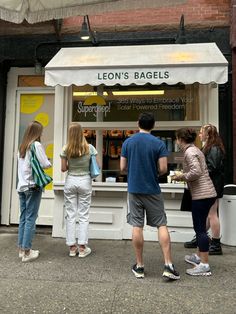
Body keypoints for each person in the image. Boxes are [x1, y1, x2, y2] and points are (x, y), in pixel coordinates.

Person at [120, 112, 180, 280]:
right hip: (153, 189)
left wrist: (133, 170)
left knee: (137, 226)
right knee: (161, 224)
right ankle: (168, 265)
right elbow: (163, 169)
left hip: (134, 189)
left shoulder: (128, 142)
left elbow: (122, 167)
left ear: (138, 123)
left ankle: (139, 267)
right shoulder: (158, 143)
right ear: (153, 125)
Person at [173, 128, 217, 276]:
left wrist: (181, 176)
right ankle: (199, 257)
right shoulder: (196, 149)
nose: (176, 141)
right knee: (202, 227)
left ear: (180, 139)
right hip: (207, 193)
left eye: (177, 139)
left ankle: (204, 265)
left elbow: (196, 171)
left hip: (201, 195)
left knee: (200, 230)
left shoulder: (189, 152)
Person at [184, 124, 225, 255]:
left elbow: (212, 167)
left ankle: (216, 243)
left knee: (212, 214)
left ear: (208, 134)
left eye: (202, 132)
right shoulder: (210, 147)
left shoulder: (213, 148)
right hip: (211, 184)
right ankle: (201, 237)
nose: (200, 135)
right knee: (208, 214)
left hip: (213, 185)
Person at [61, 122, 99, 258]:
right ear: (81, 132)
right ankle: (82, 248)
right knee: (83, 214)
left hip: (71, 180)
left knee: (70, 214)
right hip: (85, 181)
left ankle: (72, 247)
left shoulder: (66, 149)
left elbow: (63, 169)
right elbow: (95, 166)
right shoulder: (90, 148)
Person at [17, 121, 51, 262]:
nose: (41, 134)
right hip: (33, 186)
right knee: (31, 218)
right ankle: (27, 252)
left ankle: (21, 249)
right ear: (37, 132)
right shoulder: (36, 145)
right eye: (41, 131)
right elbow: (45, 164)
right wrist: (48, 161)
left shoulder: (22, 147)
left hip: (22, 186)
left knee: (23, 218)